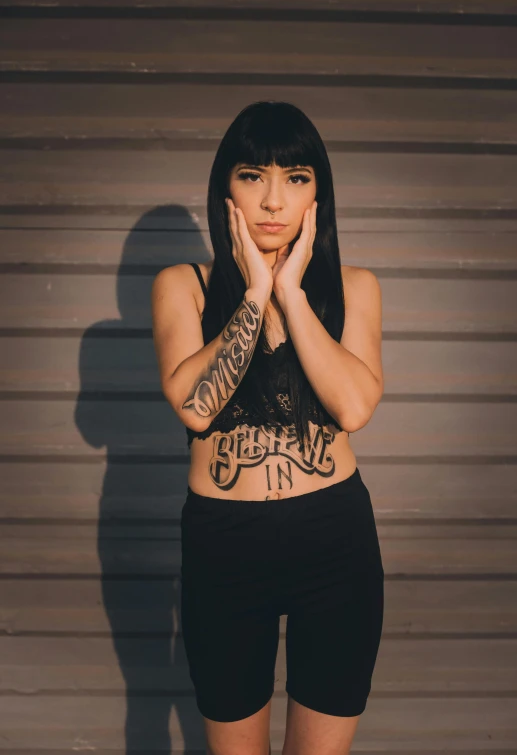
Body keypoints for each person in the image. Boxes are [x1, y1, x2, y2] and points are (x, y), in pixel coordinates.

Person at [151, 101, 384, 755]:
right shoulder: (185, 287)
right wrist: (253, 291)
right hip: (225, 550)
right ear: (226, 186)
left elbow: (354, 405)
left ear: (320, 193)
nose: (274, 199)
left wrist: (292, 293)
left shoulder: (356, 287)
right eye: (254, 175)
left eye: (297, 177)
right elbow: (196, 405)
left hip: (336, 546)